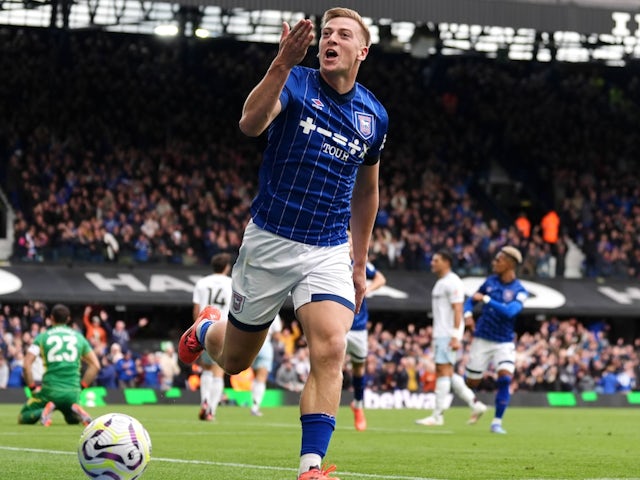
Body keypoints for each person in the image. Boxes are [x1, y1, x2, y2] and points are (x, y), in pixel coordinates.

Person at [178, 8, 388, 480]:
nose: (331, 39)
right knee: (234, 361)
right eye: (326, 33)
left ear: (362, 51)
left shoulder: (374, 115)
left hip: (328, 248)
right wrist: (280, 64)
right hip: (271, 241)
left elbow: (368, 191)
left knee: (332, 347)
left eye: (343, 34)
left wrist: (360, 262)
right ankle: (206, 330)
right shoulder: (295, 82)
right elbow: (249, 124)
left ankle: (310, 467)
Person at [415, 250, 487, 427]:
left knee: (442, 371)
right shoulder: (441, 282)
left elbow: (458, 309)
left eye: (436, 260)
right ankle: (475, 404)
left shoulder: (453, 282)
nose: (432, 262)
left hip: (447, 335)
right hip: (440, 334)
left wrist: (455, 336)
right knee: (446, 372)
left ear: (446, 262)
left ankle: (438, 415)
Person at [463, 246, 529, 434]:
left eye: (498, 260)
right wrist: (467, 314)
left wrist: (486, 300)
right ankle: (474, 403)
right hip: (482, 339)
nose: (494, 262)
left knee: (505, 379)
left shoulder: (520, 290)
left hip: (504, 342)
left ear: (509, 264)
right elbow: (470, 300)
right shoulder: (490, 282)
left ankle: (497, 422)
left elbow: (511, 312)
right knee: (471, 383)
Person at [18, 304, 100, 427]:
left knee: (23, 416)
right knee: (71, 420)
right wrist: (81, 387)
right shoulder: (79, 337)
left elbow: (26, 365)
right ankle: (75, 410)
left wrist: (32, 388)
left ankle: (42, 412)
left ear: (51, 318)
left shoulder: (42, 337)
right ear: (68, 319)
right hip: (72, 391)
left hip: (50, 391)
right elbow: (95, 366)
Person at [346, 231, 386, 431]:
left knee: (358, 366)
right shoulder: (331, 261)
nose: (351, 246)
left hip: (359, 325)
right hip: (337, 321)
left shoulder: (361, 265)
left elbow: (380, 278)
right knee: (329, 364)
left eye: (353, 242)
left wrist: (367, 289)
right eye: (348, 242)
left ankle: (358, 405)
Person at [191, 252, 233, 421]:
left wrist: (197, 330)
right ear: (226, 267)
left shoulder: (201, 283)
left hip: (205, 328)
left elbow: (196, 310)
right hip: (223, 329)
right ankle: (211, 411)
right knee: (218, 371)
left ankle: (204, 402)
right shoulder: (231, 283)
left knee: (206, 370)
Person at [250, 313, 282, 417]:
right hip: (265, 344)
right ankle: (255, 406)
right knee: (261, 378)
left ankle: (254, 404)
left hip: (251, 345)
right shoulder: (274, 312)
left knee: (255, 378)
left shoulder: (253, 307)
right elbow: (277, 335)